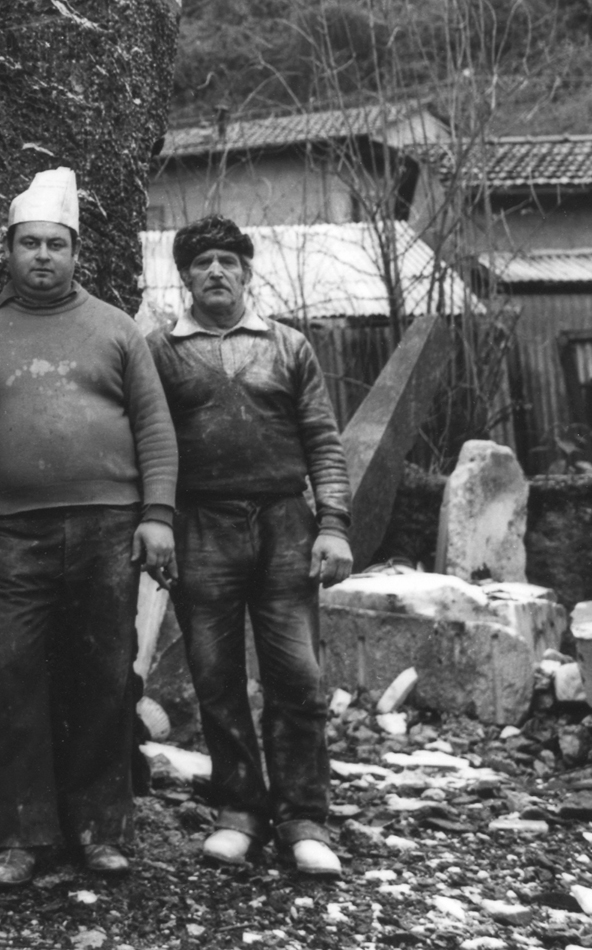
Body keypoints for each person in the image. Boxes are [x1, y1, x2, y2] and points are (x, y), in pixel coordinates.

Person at [0, 166, 177, 885]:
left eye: (56, 244)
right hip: (17, 531)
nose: (43, 256)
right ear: (9, 250)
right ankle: (22, 835)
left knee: (104, 677)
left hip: (109, 529)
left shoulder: (115, 328)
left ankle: (101, 829)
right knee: (12, 675)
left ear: (77, 252)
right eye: (30, 244)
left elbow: (154, 429)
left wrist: (157, 517)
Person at [147, 215, 351, 879]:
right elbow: (148, 446)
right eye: (201, 261)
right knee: (215, 677)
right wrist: (156, 524)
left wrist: (334, 524)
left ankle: (305, 818)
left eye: (227, 261)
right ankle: (239, 812)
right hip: (200, 528)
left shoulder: (288, 346)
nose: (215, 272)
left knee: (297, 677)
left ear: (246, 271)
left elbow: (323, 439)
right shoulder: (161, 352)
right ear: (183, 276)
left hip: (285, 526)